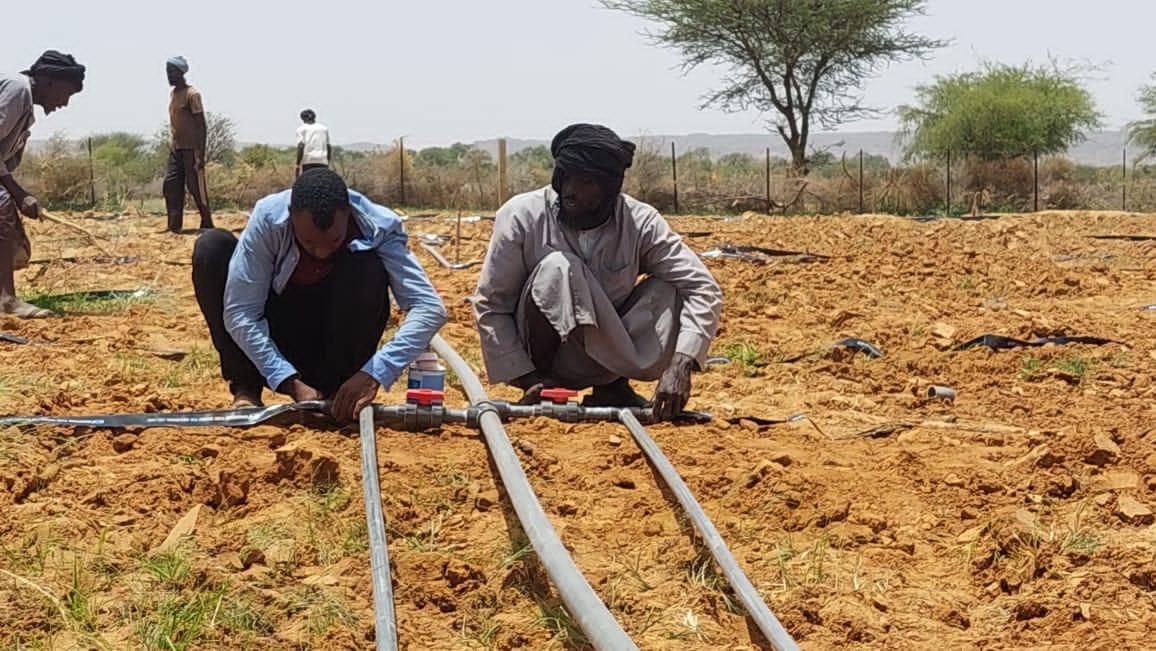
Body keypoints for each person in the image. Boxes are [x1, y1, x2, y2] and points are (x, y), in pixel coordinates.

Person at [472, 124, 723, 421]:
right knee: (558, 267)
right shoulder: (521, 215)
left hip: (612, 356)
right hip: (544, 357)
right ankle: (543, 385)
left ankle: (614, 387)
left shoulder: (639, 221)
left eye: (587, 181)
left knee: (670, 287)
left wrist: (683, 362)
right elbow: (491, 304)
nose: (572, 191)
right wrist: (525, 376)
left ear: (610, 187)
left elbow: (702, 287)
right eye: (567, 177)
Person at [191, 168, 447, 421]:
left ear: (348, 215)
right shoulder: (269, 219)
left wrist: (375, 373)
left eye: (334, 241)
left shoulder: (378, 226)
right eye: (309, 242)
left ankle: (340, 392)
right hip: (279, 336)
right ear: (291, 217)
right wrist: (291, 383)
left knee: (368, 264)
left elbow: (429, 307)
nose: (322, 252)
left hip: (334, 341)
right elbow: (242, 312)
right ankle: (247, 388)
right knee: (212, 249)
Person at [0, 51, 86, 318]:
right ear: (49, 82)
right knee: (2, 208)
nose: (65, 104)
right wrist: (18, 194)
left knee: (16, 243)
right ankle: (6, 301)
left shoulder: (22, 99)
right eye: (66, 94)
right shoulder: (18, 91)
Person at [163, 56, 213, 233]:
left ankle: (207, 221)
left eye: (172, 72)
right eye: (167, 71)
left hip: (191, 148)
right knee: (171, 184)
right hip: (176, 147)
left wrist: (201, 153)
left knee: (195, 186)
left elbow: (201, 125)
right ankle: (174, 225)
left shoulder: (192, 94)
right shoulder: (173, 94)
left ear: (181, 73)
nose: (169, 75)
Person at [295, 109, 331, 176]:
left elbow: (301, 146)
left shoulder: (301, 129)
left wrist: (298, 163)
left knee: (308, 182)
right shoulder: (324, 129)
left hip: (308, 160)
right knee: (322, 182)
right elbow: (328, 146)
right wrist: (327, 161)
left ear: (303, 119)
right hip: (322, 160)